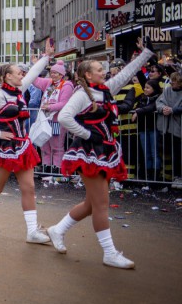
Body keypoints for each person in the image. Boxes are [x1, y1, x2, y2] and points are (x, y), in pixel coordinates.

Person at [47, 38, 155, 269]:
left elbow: (126, 74)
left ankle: (57, 229)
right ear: (87, 75)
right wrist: (87, 135)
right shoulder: (82, 94)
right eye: (98, 69)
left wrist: (147, 53)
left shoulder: (105, 90)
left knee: (91, 203)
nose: (103, 71)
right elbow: (65, 117)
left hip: (105, 150)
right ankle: (109, 252)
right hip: (88, 152)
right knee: (101, 204)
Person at [0, 41, 55, 243]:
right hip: (4, 148)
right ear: (8, 76)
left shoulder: (19, 90)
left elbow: (34, 73)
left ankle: (32, 231)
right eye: (18, 73)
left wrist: (46, 57)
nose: (22, 75)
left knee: (29, 187)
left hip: (22, 145)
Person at [33, 60, 73, 173]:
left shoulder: (67, 85)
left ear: (62, 74)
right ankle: (46, 167)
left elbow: (64, 103)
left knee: (56, 146)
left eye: (56, 73)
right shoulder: (49, 83)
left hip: (57, 120)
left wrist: (50, 107)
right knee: (44, 145)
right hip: (44, 120)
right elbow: (34, 80)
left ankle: (57, 169)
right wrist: (37, 64)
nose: (53, 74)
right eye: (52, 72)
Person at [131, 78, 163, 180]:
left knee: (154, 154)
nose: (145, 89)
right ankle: (149, 177)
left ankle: (155, 176)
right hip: (143, 129)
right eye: (145, 87)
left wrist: (139, 111)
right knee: (146, 154)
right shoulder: (143, 98)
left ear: (154, 88)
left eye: (148, 88)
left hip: (154, 128)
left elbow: (152, 107)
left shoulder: (159, 98)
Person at [156, 72, 182, 185]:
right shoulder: (167, 90)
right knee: (172, 153)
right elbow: (159, 102)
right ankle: (174, 177)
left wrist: (173, 110)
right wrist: (163, 109)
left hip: (178, 126)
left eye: (174, 81)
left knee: (179, 153)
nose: (171, 82)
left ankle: (178, 177)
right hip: (169, 128)